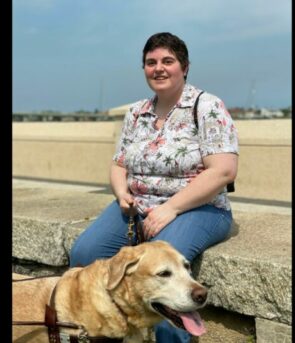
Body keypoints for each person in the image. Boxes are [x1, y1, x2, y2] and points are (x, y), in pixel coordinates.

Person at [69, 32, 239, 343]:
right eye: (151, 62)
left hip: (198, 207)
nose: (158, 68)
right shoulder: (136, 112)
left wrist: (171, 208)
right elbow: (119, 164)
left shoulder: (207, 106)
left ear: (184, 67)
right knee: (86, 254)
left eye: (167, 61)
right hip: (137, 204)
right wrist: (122, 195)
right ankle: (103, 331)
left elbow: (223, 171)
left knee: (165, 285)